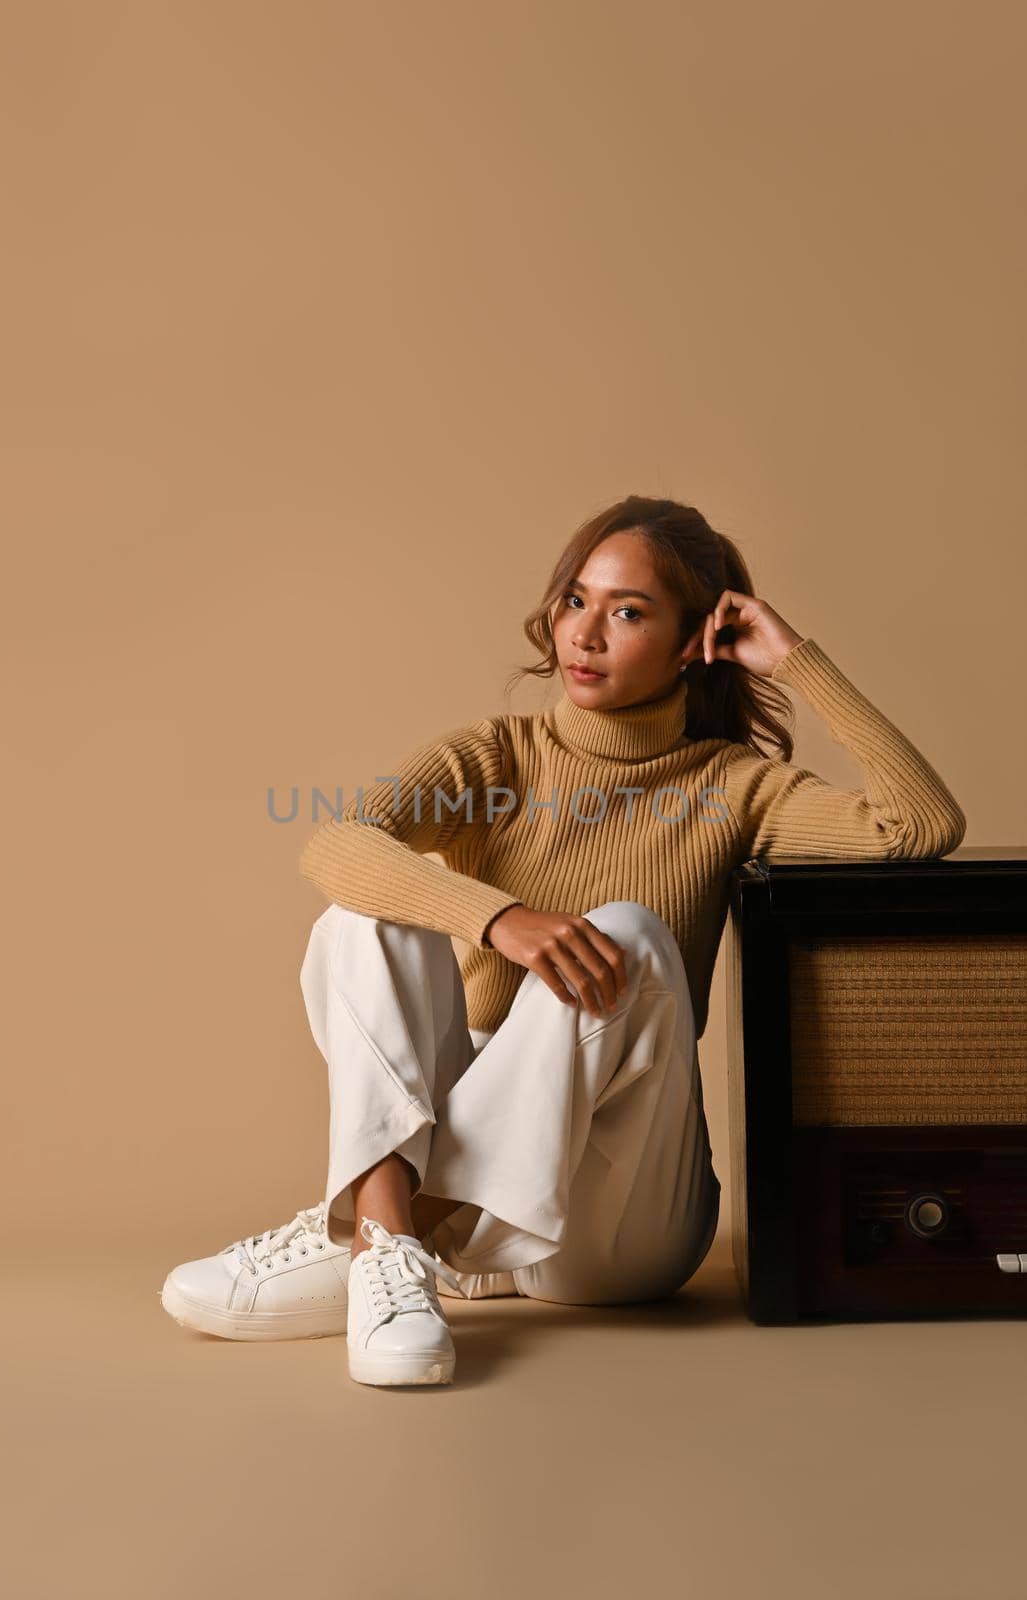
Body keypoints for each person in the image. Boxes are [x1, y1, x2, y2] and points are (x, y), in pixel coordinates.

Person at [160, 494, 967, 1386]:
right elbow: (336, 842)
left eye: (627, 612)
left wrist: (795, 660)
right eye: (575, 600)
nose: (584, 634)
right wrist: (497, 918)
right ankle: (394, 1250)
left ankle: (380, 1234)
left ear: (695, 641)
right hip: (477, 1189)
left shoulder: (736, 787)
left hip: (615, 1228)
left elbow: (917, 823)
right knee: (362, 910)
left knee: (627, 934)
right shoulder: (497, 756)